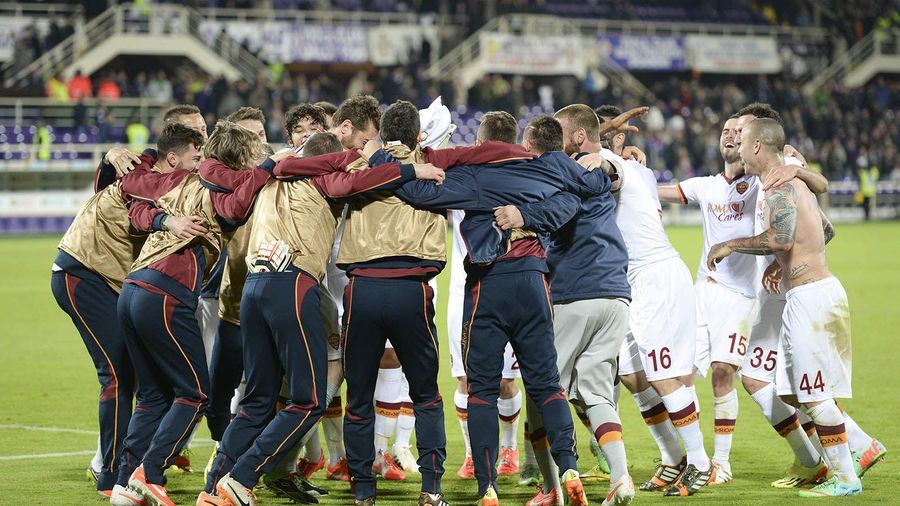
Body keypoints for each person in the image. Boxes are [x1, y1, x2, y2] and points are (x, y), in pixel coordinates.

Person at [203, 133, 445, 506]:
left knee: (257, 401)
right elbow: (363, 180)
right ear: (333, 160)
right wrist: (413, 168)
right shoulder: (323, 179)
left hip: (252, 289)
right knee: (309, 400)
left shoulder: (266, 182)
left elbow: (218, 180)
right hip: (292, 284)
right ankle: (240, 478)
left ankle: (214, 485)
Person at [390, 115, 621, 506]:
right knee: (548, 385)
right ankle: (568, 467)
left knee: (481, 390)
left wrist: (400, 165)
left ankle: (488, 486)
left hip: (489, 286)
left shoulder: (478, 175)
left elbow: (419, 194)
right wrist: (606, 160)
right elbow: (585, 192)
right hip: (535, 284)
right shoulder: (546, 171)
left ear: (481, 143)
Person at [657, 107, 829, 485]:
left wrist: (795, 164)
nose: (730, 135)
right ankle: (685, 458)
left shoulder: (762, 180)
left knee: (725, 374)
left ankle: (720, 464)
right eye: (725, 129)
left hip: (741, 297)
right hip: (702, 294)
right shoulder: (705, 185)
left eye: (738, 130)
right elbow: (656, 192)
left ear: (752, 142)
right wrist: (627, 171)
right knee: (679, 375)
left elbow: (814, 186)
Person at [115, 121, 283, 506]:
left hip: (133, 287)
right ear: (239, 160)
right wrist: (268, 168)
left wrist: (162, 218)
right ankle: (151, 472)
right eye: (252, 154)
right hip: (165, 292)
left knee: (155, 396)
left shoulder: (175, 180)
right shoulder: (220, 188)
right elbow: (235, 206)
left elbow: (134, 194)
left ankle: (126, 484)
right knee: (195, 393)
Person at [706, 117, 865, 497]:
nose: (738, 148)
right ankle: (847, 457)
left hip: (812, 297)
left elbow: (779, 237)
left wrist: (730, 244)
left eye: (743, 140)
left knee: (810, 394)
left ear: (758, 146)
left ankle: (846, 477)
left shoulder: (779, 184)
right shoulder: (784, 180)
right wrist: (784, 266)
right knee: (792, 391)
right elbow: (824, 231)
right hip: (805, 294)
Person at [52, 124, 206, 503]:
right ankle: (110, 471)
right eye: (196, 154)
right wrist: (111, 156)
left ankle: (125, 466)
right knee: (119, 376)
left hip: (108, 279)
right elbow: (136, 200)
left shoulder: (148, 171)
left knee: (138, 380)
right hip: (84, 273)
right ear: (173, 156)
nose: (201, 163)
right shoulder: (144, 177)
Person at [495, 108, 635, 505]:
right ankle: (621, 478)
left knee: (544, 393)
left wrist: (523, 214)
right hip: (616, 295)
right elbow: (609, 169)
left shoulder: (561, 173)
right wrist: (607, 155)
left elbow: (560, 208)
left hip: (575, 294)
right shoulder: (603, 169)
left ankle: (552, 488)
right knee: (596, 391)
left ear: (572, 139)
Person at [443, 112, 524, 483]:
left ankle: (507, 450)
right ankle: (480, 454)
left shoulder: (524, 176)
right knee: (478, 378)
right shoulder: (465, 174)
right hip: (491, 288)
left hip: (476, 288)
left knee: (481, 379)